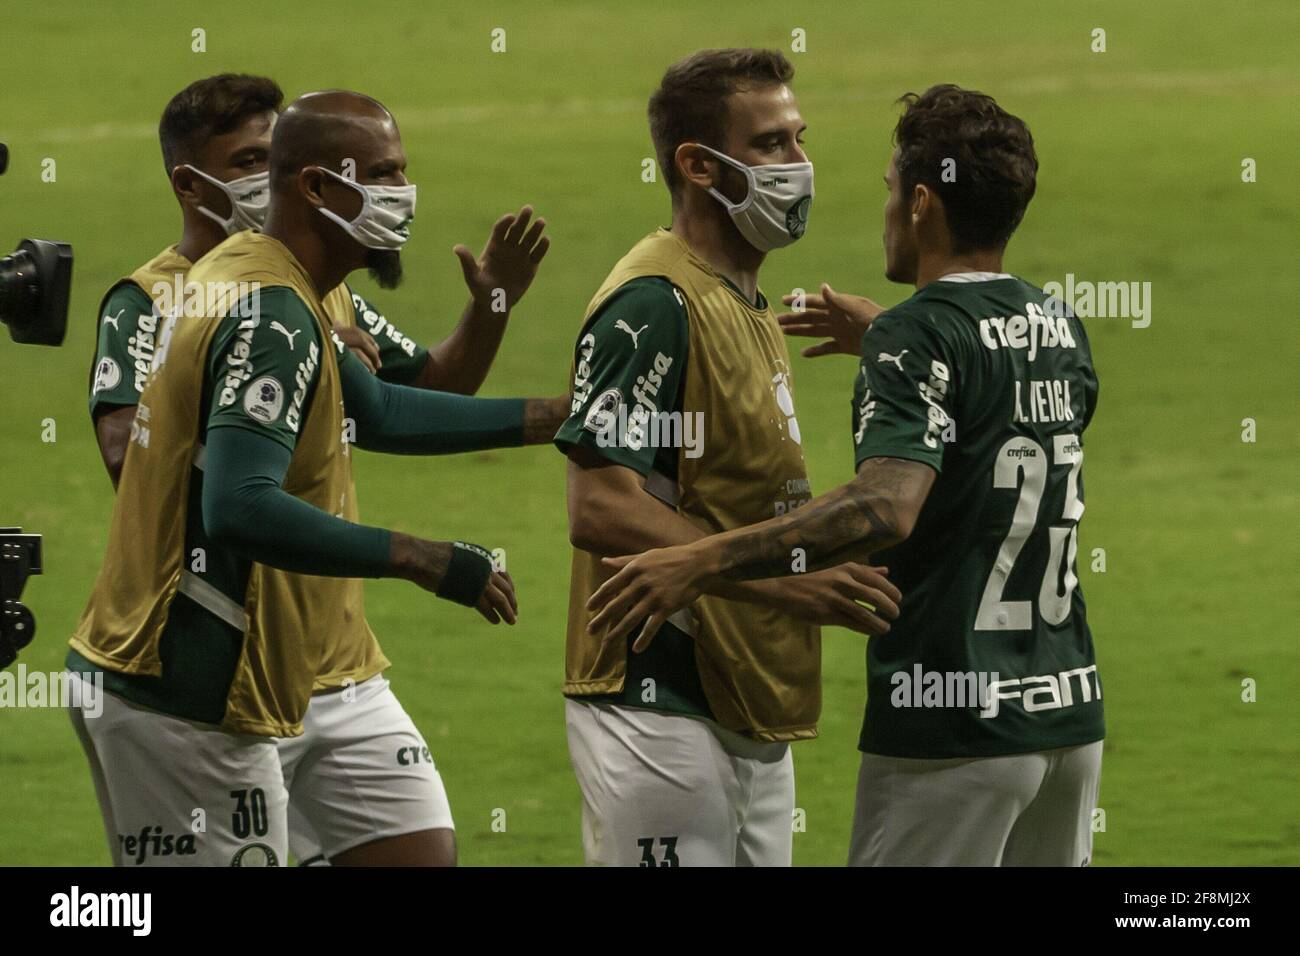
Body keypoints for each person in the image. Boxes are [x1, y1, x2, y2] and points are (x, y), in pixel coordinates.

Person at [588, 84, 1104, 867]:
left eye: (894, 192)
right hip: (1067, 716)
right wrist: (904, 348)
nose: (888, 211)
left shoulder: (917, 334)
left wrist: (701, 558)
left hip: (951, 724)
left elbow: (884, 508)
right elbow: (1002, 428)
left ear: (925, 203)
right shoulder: (1058, 324)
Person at [67, 89, 563, 867]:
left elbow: (385, 409)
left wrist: (556, 419)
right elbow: (235, 505)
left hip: (306, 663)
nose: (403, 195)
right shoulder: (266, 309)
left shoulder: (282, 282)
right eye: (384, 174)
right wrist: (419, 557)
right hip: (188, 678)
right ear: (317, 189)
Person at [556, 49, 899, 867]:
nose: (800, 165)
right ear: (698, 166)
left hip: (743, 694)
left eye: (799, 139)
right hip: (660, 693)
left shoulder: (739, 297)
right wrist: (793, 581)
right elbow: (598, 505)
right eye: (772, 145)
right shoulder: (653, 303)